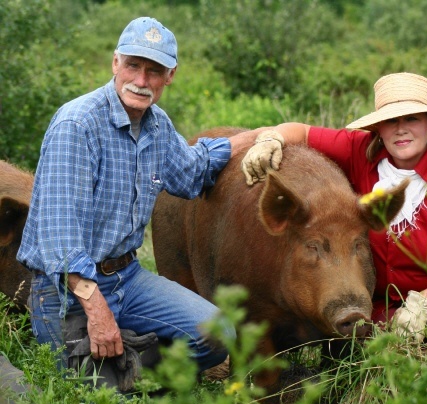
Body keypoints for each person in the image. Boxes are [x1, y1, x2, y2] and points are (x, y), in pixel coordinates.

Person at [17, 17, 262, 378]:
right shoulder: (78, 124)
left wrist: (263, 136)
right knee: (89, 398)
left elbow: (194, 170)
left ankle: (131, 366)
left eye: (154, 70)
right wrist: (97, 312)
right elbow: (59, 238)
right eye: (133, 65)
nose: (141, 80)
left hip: (127, 277)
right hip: (66, 290)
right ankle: (122, 371)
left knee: (218, 334)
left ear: (170, 75)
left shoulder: (157, 125)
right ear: (116, 62)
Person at [241, 72, 427, 341]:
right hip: (371, 306)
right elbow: (301, 131)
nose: (400, 128)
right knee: (352, 342)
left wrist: (426, 301)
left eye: (412, 119)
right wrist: (270, 139)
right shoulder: (360, 151)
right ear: (379, 128)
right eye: (391, 120)